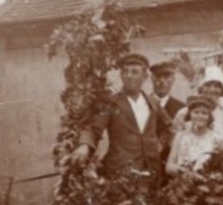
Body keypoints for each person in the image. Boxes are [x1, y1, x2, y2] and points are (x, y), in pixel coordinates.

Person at [67, 52, 172, 181]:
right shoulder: (110, 103)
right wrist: (85, 145)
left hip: (151, 170)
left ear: (145, 76)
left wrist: (159, 145)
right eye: (125, 72)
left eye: (134, 72)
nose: (129, 76)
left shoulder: (153, 103)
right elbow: (93, 128)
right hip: (121, 172)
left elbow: (168, 127)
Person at [173, 65, 223, 146]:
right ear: (200, 88)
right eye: (207, 85)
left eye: (217, 86)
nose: (212, 89)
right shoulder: (183, 113)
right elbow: (175, 144)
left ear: (222, 90)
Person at [166, 95, 223, 175]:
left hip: (207, 183)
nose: (200, 116)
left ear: (209, 117)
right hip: (182, 182)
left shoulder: (217, 138)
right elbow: (169, 167)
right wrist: (188, 173)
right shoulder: (181, 136)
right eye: (196, 112)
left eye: (204, 113)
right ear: (190, 115)